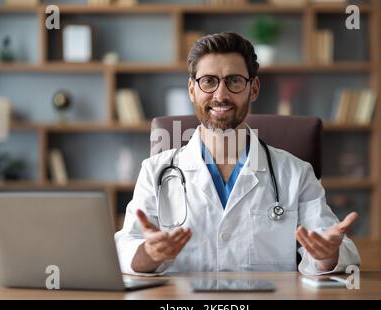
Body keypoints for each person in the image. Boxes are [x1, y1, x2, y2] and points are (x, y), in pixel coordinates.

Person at [115, 32, 360, 275]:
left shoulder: (296, 173)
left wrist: (327, 255)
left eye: (234, 81)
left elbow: (335, 245)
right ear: (192, 89)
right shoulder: (154, 171)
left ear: (253, 89)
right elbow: (126, 247)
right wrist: (147, 254)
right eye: (209, 81)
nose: (220, 95)